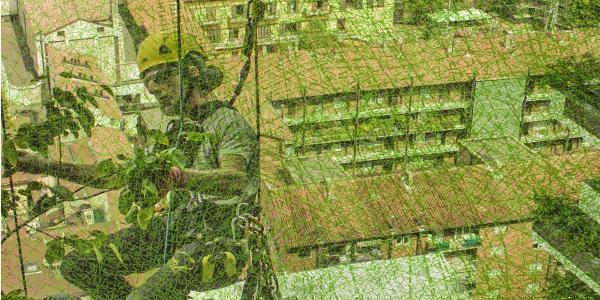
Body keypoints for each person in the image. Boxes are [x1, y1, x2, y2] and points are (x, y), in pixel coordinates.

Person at [16, 32, 259, 300]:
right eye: (149, 82)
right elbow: (113, 177)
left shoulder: (227, 123)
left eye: (163, 77)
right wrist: (46, 165)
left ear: (192, 73)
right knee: (78, 265)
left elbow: (235, 181)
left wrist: (179, 178)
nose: (155, 89)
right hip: (181, 225)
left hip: (219, 238)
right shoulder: (174, 132)